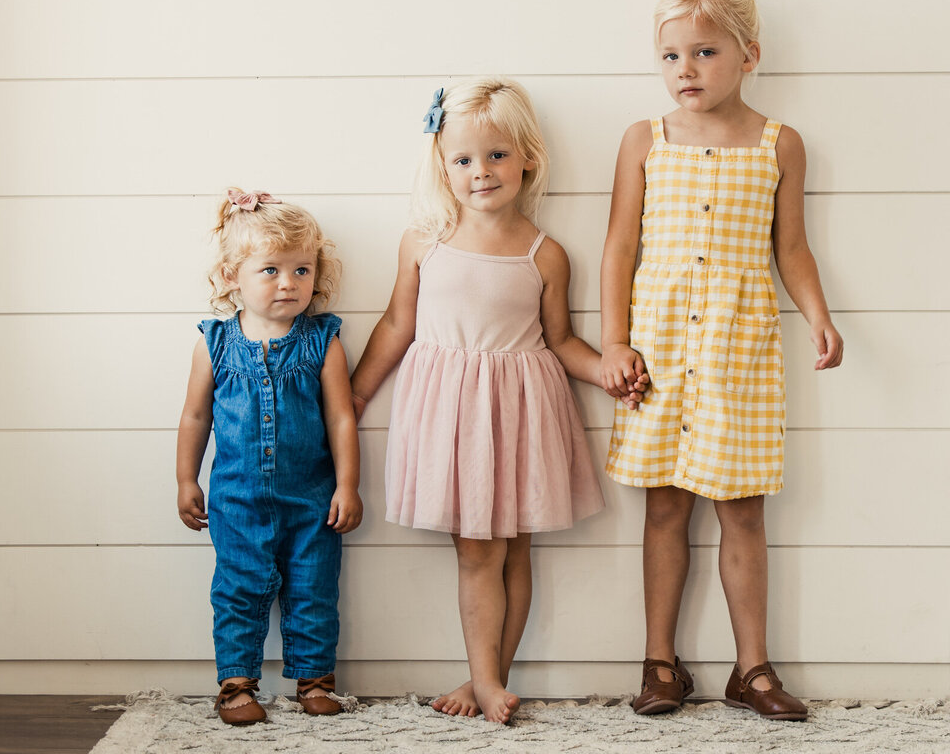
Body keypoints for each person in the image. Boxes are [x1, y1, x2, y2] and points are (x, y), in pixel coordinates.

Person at [351, 78, 646, 724]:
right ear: (443, 166)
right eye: (463, 160)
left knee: (515, 549)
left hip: (520, 416)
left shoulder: (546, 254)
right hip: (452, 419)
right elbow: (397, 327)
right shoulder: (423, 241)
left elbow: (561, 340)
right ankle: (486, 679)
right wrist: (352, 397)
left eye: (496, 156)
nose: (480, 172)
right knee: (478, 550)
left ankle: (489, 678)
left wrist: (608, 373)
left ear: (527, 158)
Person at [600, 0, 844, 721]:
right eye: (671, 56)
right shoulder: (646, 139)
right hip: (660, 347)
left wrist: (819, 314)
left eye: (704, 53)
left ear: (748, 54)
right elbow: (618, 247)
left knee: (742, 508)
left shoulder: (780, 144)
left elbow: (791, 249)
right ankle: (661, 663)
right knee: (664, 506)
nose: (685, 71)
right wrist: (613, 341)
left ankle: (753, 669)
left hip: (739, 350)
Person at [176, 189, 362, 725]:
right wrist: (186, 478)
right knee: (238, 588)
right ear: (233, 275)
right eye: (272, 270)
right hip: (236, 500)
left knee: (314, 588)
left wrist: (347, 486)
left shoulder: (322, 341)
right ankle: (236, 684)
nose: (289, 283)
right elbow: (194, 418)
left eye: (303, 270)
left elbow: (341, 418)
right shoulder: (213, 344)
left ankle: (315, 679)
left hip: (312, 500)